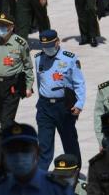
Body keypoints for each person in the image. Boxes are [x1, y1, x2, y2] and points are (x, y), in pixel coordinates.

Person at [34, 30, 85, 170]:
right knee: (44, 145)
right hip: (45, 107)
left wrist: (79, 104)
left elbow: (79, 83)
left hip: (64, 106)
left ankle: (75, 171)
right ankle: (40, 177)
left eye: (50, 45)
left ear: (57, 42)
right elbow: (40, 82)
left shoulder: (69, 58)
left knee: (69, 142)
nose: (47, 49)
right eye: (44, 46)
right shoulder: (38, 58)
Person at [0, 13, 34, 129]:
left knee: (6, 120)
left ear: (11, 27)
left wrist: (29, 86)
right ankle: (16, 135)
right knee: (1, 116)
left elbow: (28, 66)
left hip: (13, 85)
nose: (1, 28)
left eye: (4, 25)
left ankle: (7, 143)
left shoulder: (20, 43)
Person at [0, 123, 71, 195]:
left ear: (37, 152)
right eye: (12, 150)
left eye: (25, 149)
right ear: (3, 155)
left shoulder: (58, 190)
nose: (19, 156)